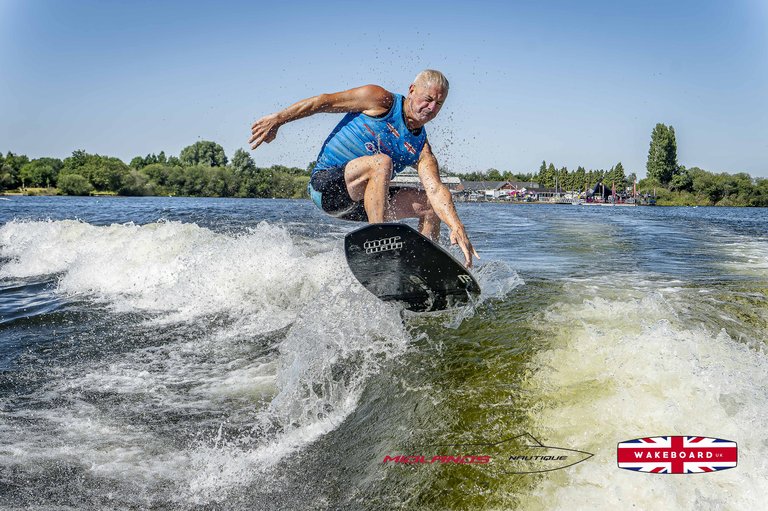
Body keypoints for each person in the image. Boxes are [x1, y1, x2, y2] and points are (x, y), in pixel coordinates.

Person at [249, 69, 479, 267]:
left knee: (430, 207)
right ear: (412, 90)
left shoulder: (421, 149)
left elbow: (436, 190)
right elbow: (323, 101)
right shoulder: (380, 100)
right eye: (427, 99)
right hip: (327, 188)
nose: (431, 107)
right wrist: (278, 119)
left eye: (438, 104)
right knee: (382, 162)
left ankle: (422, 266)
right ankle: (377, 241)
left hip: (363, 206)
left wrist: (456, 225)